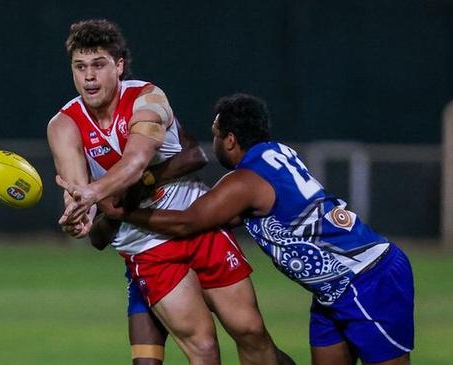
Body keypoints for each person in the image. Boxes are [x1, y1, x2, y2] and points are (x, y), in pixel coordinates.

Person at [99, 93, 414, 365]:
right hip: (331, 291)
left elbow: (188, 221)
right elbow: (232, 216)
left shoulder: (245, 180)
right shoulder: (276, 153)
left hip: (369, 278)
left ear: (231, 139)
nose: (216, 143)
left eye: (217, 135)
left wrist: (125, 212)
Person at [51, 19, 292, 365]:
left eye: (98, 65)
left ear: (118, 66)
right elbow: (78, 192)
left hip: (195, 220)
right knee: (204, 347)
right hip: (145, 243)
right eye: (80, 67)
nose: (89, 76)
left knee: (250, 331)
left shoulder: (147, 98)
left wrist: (93, 193)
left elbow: (136, 161)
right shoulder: (63, 125)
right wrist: (78, 217)